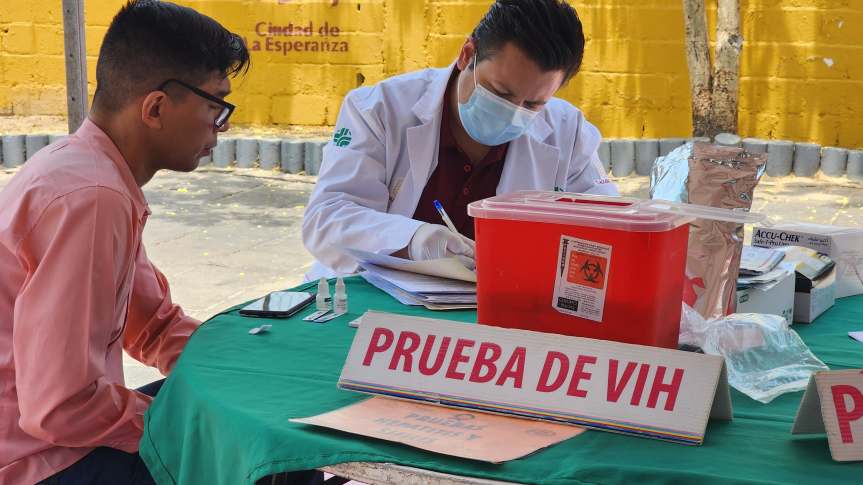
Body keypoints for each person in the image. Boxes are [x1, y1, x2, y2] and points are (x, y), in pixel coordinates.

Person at [0, 2, 319, 484]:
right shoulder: (93, 196)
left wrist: (252, 366)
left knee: (272, 416)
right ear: (155, 108)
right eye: (216, 106)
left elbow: (152, 326)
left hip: (58, 437)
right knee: (278, 456)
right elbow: (61, 407)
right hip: (41, 462)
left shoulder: (92, 173)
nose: (222, 126)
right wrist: (192, 429)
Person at [302, 0, 618, 280]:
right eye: (500, 93)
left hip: (500, 307)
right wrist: (413, 240)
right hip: (374, 300)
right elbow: (326, 219)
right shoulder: (380, 109)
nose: (513, 114)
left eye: (533, 104)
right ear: (467, 55)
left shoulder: (568, 132)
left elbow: (609, 226)